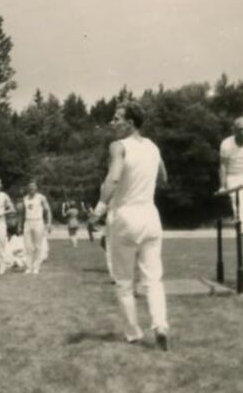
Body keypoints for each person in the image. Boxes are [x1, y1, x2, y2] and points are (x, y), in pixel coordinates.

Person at [90, 100, 170, 350]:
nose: (112, 123)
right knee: (153, 278)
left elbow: (113, 179)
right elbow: (164, 177)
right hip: (150, 215)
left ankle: (134, 334)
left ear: (130, 122)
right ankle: (161, 325)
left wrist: (99, 210)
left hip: (125, 215)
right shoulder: (152, 146)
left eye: (116, 118)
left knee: (123, 281)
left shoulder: (118, 146)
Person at [21, 180, 52, 274]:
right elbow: (23, 213)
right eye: (30, 187)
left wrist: (49, 223)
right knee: (28, 246)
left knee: (38, 246)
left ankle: (36, 266)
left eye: (33, 187)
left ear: (36, 188)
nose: (31, 189)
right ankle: (28, 267)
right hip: (27, 221)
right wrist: (20, 225)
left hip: (38, 221)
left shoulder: (41, 198)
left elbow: (48, 211)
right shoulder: (25, 198)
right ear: (28, 188)